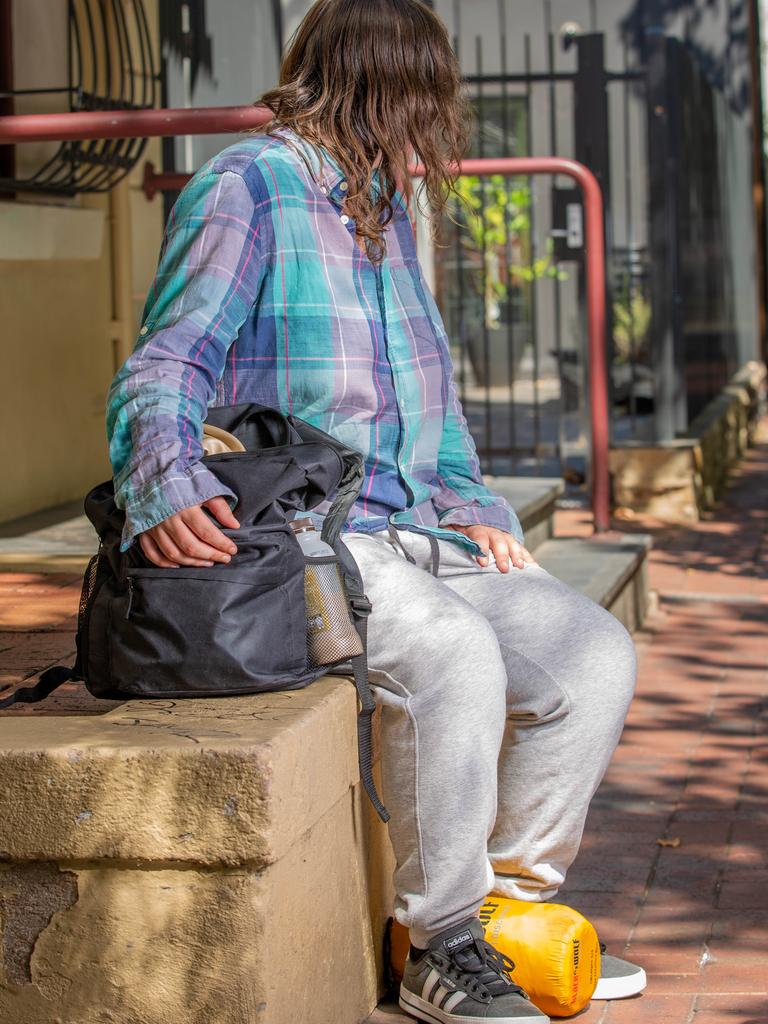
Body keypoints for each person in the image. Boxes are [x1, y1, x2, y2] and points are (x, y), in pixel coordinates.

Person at [106, 1, 645, 1021]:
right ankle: (438, 945)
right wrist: (164, 482)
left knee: (591, 654)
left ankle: (505, 926)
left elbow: (428, 397)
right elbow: (168, 358)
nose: (435, 123)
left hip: (414, 533)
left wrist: (474, 500)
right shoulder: (250, 185)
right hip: (305, 538)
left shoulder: (387, 208)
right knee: (453, 652)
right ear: (381, 87)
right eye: (424, 95)